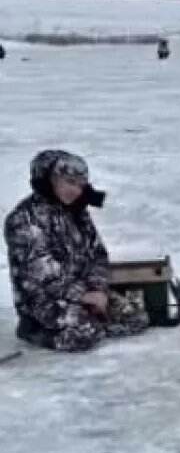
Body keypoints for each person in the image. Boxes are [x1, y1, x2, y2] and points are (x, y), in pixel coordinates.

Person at [4, 150, 150, 352]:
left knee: (135, 317)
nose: (76, 191)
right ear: (50, 180)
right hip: (42, 300)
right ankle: (34, 330)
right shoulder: (24, 219)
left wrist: (97, 288)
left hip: (83, 292)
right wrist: (84, 296)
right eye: (70, 182)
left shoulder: (77, 212)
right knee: (83, 334)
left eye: (81, 185)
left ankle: (88, 321)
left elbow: (97, 254)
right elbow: (44, 275)